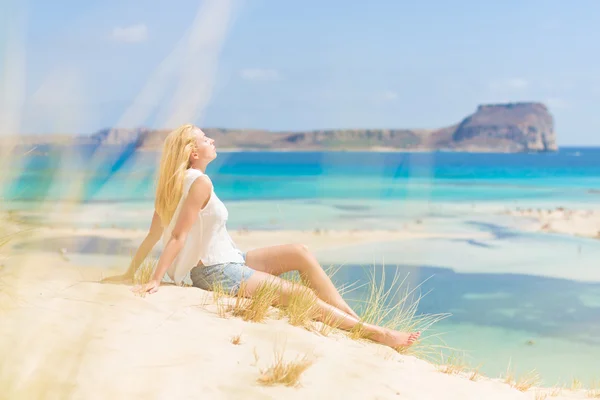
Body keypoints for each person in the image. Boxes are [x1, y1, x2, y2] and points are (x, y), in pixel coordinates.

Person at [103, 124, 420, 349]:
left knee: (300, 252)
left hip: (230, 260)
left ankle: (355, 321)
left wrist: (131, 272)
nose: (212, 140)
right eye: (205, 139)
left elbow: (150, 238)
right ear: (192, 152)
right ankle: (375, 333)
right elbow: (177, 236)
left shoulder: (170, 185)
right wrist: (156, 280)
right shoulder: (199, 183)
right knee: (302, 297)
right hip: (216, 271)